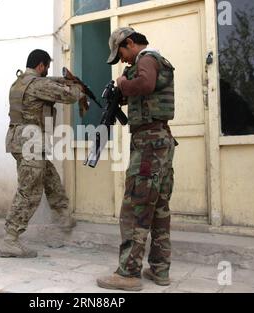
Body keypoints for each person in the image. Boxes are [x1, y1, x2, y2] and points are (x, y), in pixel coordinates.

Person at [97, 27, 177, 291]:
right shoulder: (157, 60)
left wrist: (122, 84)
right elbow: (146, 93)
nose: (122, 60)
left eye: (121, 53)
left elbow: (145, 85)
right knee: (158, 207)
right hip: (161, 139)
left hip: (149, 144)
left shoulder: (145, 59)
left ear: (129, 43)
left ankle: (128, 273)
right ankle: (159, 270)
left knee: (136, 206)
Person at [0, 49, 87, 258]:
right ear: (41, 65)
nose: (47, 71)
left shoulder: (19, 82)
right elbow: (69, 95)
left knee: (50, 178)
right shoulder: (39, 85)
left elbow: (52, 84)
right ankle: (10, 239)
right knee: (29, 191)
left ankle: (63, 217)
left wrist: (64, 79)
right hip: (30, 142)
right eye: (46, 67)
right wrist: (79, 87)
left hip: (21, 141)